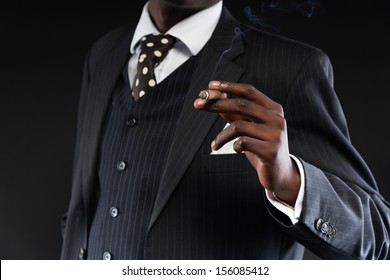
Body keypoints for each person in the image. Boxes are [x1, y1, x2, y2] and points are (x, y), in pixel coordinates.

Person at [61, 0, 390, 260]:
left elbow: (376, 233)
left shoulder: (290, 69)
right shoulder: (103, 55)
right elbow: (85, 208)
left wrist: (291, 181)